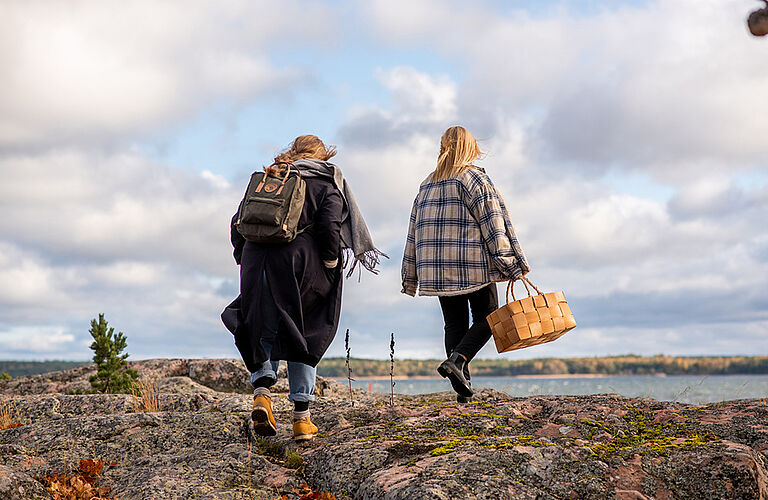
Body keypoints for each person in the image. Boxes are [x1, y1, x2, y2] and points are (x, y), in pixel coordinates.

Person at [222, 135, 384, 441]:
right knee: (307, 328)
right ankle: (301, 418)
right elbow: (329, 227)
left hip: (256, 262)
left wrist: (244, 257)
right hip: (300, 264)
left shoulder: (271, 178)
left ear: (293, 154)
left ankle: (261, 395)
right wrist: (331, 263)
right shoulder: (326, 182)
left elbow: (237, 223)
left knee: (259, 322)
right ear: (324, 157)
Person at [401, 126, 529, 403]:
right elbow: (493, 224)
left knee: (454, 325)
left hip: (435, 269)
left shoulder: (427, 184)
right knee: (489, 317)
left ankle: (463, 389)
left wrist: (410, 275)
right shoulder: (474, 179)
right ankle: (458, 361)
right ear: (472, 149)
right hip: (472, 265)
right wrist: (508, 263)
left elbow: (414, 231)